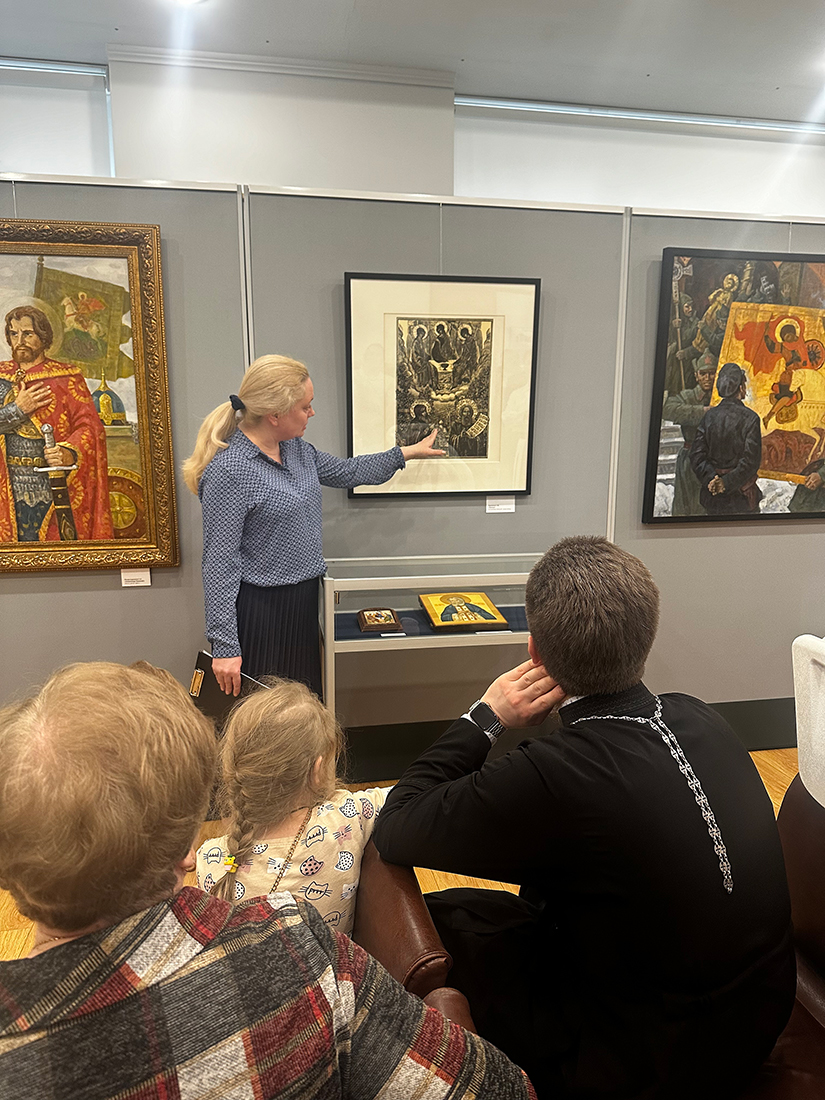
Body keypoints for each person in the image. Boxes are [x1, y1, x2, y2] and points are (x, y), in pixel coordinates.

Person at [374, 536, 795, 1099]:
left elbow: (397, 824)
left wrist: (485, 717)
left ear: (535, 650)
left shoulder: (556, 773)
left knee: (446, 918)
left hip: (647, 1067)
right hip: (756, 1025)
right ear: (646, 637)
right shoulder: (703, 717)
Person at [0, 660, 537, 1100]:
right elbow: (498, 1088)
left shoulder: (220, 862)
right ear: (184, 850)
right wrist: (485, 720)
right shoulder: (294, 944)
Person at [182, 354, 443, 697]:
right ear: (275, 414)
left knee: (303, 706)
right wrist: (225, 645)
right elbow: (219, 563)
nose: (312, 412)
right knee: (263, 715)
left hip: (303, 602)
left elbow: (348, 472)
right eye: (305, 407)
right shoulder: (229, 471)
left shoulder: (297, 451)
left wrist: (404, 454)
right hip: (261, 611)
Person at [197, 677, 390, 934]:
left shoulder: (210, 860)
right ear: (317, 770)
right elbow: (403, 793)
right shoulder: (345, 816)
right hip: (336, 960)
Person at [0, 305, 112, 542]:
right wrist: (17, 410)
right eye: (13, 333)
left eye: (27, 334)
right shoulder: (1, 376)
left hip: (53, 485)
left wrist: (68, 452)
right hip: (5, 486)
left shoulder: (66, 377)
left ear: (43, 336)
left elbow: (90, 427)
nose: (19, 341)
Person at [690, 361, 763, 515]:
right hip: (742, 497)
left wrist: (712, 479)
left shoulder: (708, 417)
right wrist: (726, 483)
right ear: (740, 388)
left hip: (712, 497)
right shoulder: (751, 418)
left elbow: (696, 456)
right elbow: (751, 461)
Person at [662, 351, 717, 516]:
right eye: (703, 373)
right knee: (687, 507)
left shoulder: (722, 397)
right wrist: (702, 412)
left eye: (711, 373)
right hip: (690, 459)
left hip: (715, 460)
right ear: (696, 375)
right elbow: (667, 409)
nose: (707, 378)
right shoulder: (687, 396)